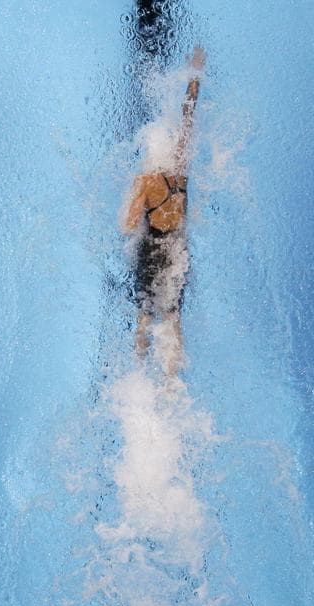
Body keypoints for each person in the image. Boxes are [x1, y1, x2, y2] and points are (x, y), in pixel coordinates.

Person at [122, 47, 205, 375]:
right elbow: (189, 116)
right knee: (173, 318)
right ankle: (172, 380)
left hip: (151, 248)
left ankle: (139, 370)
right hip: (177, 248)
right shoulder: (180, 173)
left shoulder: (144, 181)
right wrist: (194, 77)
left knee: (144, 314)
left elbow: (129, 226)